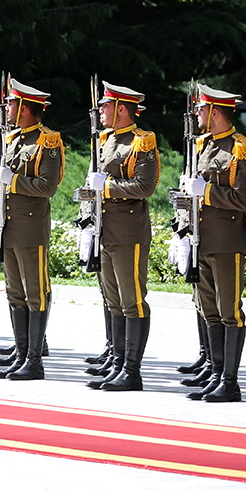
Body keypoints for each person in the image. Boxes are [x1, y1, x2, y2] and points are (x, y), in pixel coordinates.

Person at [79, 83, 160, 391]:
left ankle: (132, 371)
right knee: (113, 301)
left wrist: (108, 187)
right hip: (105, 229)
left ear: (121, 109)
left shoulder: (142, 142)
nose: (100, 111)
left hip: (128, 232)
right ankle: (117, 363)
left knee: (132, 301)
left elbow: (144, 186)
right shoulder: (105, 140)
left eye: (105, 106)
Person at [0, 78, 63, 381]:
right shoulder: (12, 139)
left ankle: (34, 360)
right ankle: (20, 354)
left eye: (12, 104)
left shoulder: (48, 141)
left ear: (26, 108)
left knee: (35, 293)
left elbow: (47, 186)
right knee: (15, 293)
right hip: (9, 227)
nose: (6, 108)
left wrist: (12, 181)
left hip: (30, 227)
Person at [183, 84, 246, 403]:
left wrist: (207, 193)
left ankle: (230, 381)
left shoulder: (243, 148)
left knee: (230, 312)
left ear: (215, 113)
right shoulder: (202, 145)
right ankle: (215, 375)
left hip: (227, 242)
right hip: (201, 240)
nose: (197, 114)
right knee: (210, 312)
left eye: (201, 109)